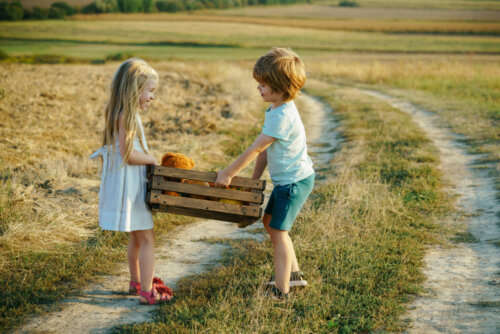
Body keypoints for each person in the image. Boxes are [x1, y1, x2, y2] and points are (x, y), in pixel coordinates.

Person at [215, 48, 315, 299]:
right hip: (288, 181)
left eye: (264, 84)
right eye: (258, 83)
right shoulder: (274, 110)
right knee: (270, 223)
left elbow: (257, 147)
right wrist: (254, 179)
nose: (258, 88)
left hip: (294, 182)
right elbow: (265, 151)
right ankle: (294, 277)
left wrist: (228, 173)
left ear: (282, 88)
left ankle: (282, 290)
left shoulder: (282, 115)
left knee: (279, 232)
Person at [90, 58, 172, 305]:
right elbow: (128, 154)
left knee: (136, 238)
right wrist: (152, 159)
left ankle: (135, 281)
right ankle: (147, 291)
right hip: (131, 189)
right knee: (147, 238)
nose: (152, 97)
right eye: (150, 90)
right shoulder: (127, 115)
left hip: (128, 185)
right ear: (134, 90)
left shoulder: (123, 113)